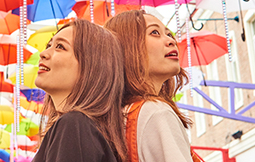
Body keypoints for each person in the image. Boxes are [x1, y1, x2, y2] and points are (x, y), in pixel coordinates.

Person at [104, 10, 196, 162]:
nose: (170, 41)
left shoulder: (118, 117)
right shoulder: (156, 112)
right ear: (128, 47)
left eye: (169, 34)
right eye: (154, 32)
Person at [32, 19, 127, 162]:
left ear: (91, 65)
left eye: (60, 47)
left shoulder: (75, 125)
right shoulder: (79, 127)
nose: (44, 53)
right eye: (49, 45)